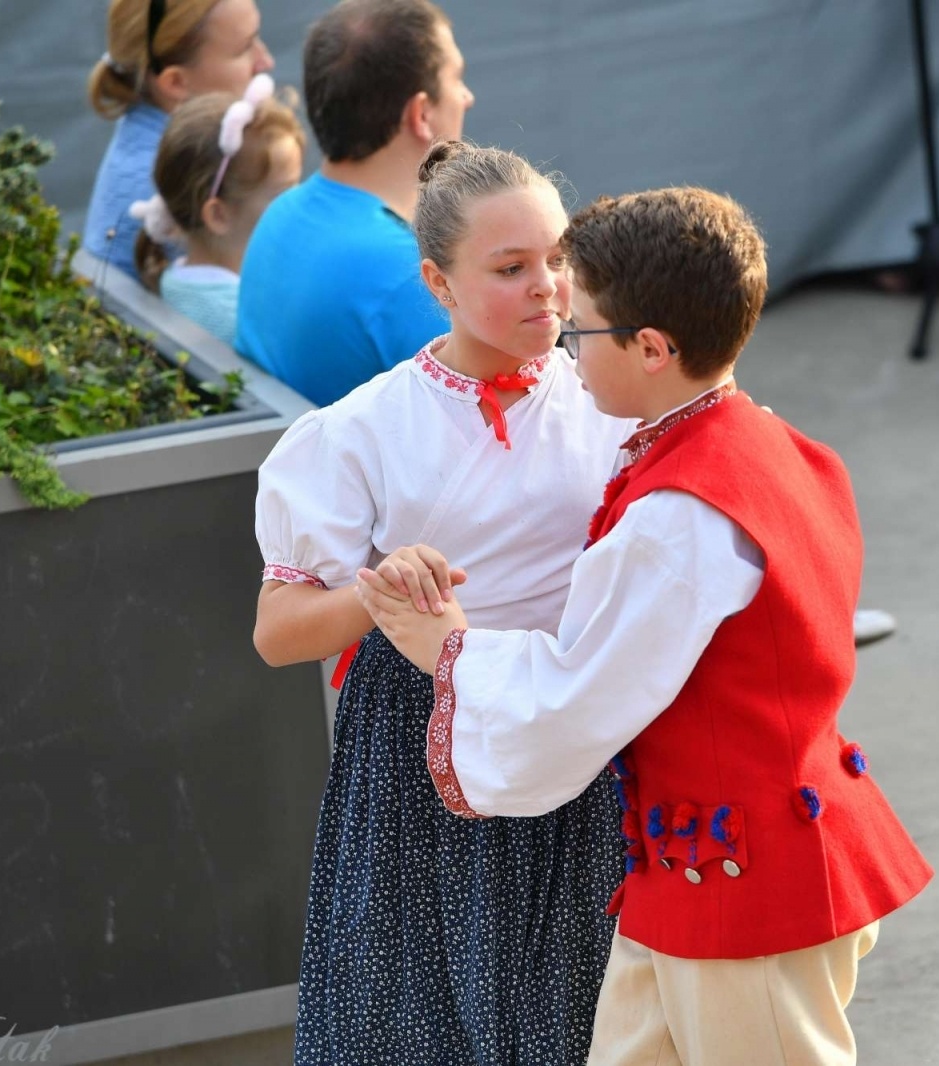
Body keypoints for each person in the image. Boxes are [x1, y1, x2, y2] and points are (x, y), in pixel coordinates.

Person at [356, 187, 933, 1065]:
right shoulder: (762, 442)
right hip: (699, 866)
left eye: (580, 328)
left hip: (742, 889)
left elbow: (584, 695)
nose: (564, 345)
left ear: (652, 348)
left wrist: (449, 648)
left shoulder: (677, 518)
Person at [253, 142, 635, 1066]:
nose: (546, 287)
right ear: (438, 282)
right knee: (426, 1018)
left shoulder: (616, 393)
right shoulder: (362, 429)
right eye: (509, 269)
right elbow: (279, 633)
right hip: (429, 749)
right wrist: (377, 592)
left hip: (581, 718)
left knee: (589, 1011)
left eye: (558, 258)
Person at [235, 0, 473, 405]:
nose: (467, 97)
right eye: (456, 78)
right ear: (420, 114)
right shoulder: (413, 275)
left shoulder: (281, 214)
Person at [84, 0, 274, 282]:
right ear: (175, 83)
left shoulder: (147, 137)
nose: (266, 61)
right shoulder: (177, 188)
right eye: (244, 48)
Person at [128, 76, 304, 345]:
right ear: (218, 216)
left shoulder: (172, 281)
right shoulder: (246, 323)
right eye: (284, 193)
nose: (301, 202)